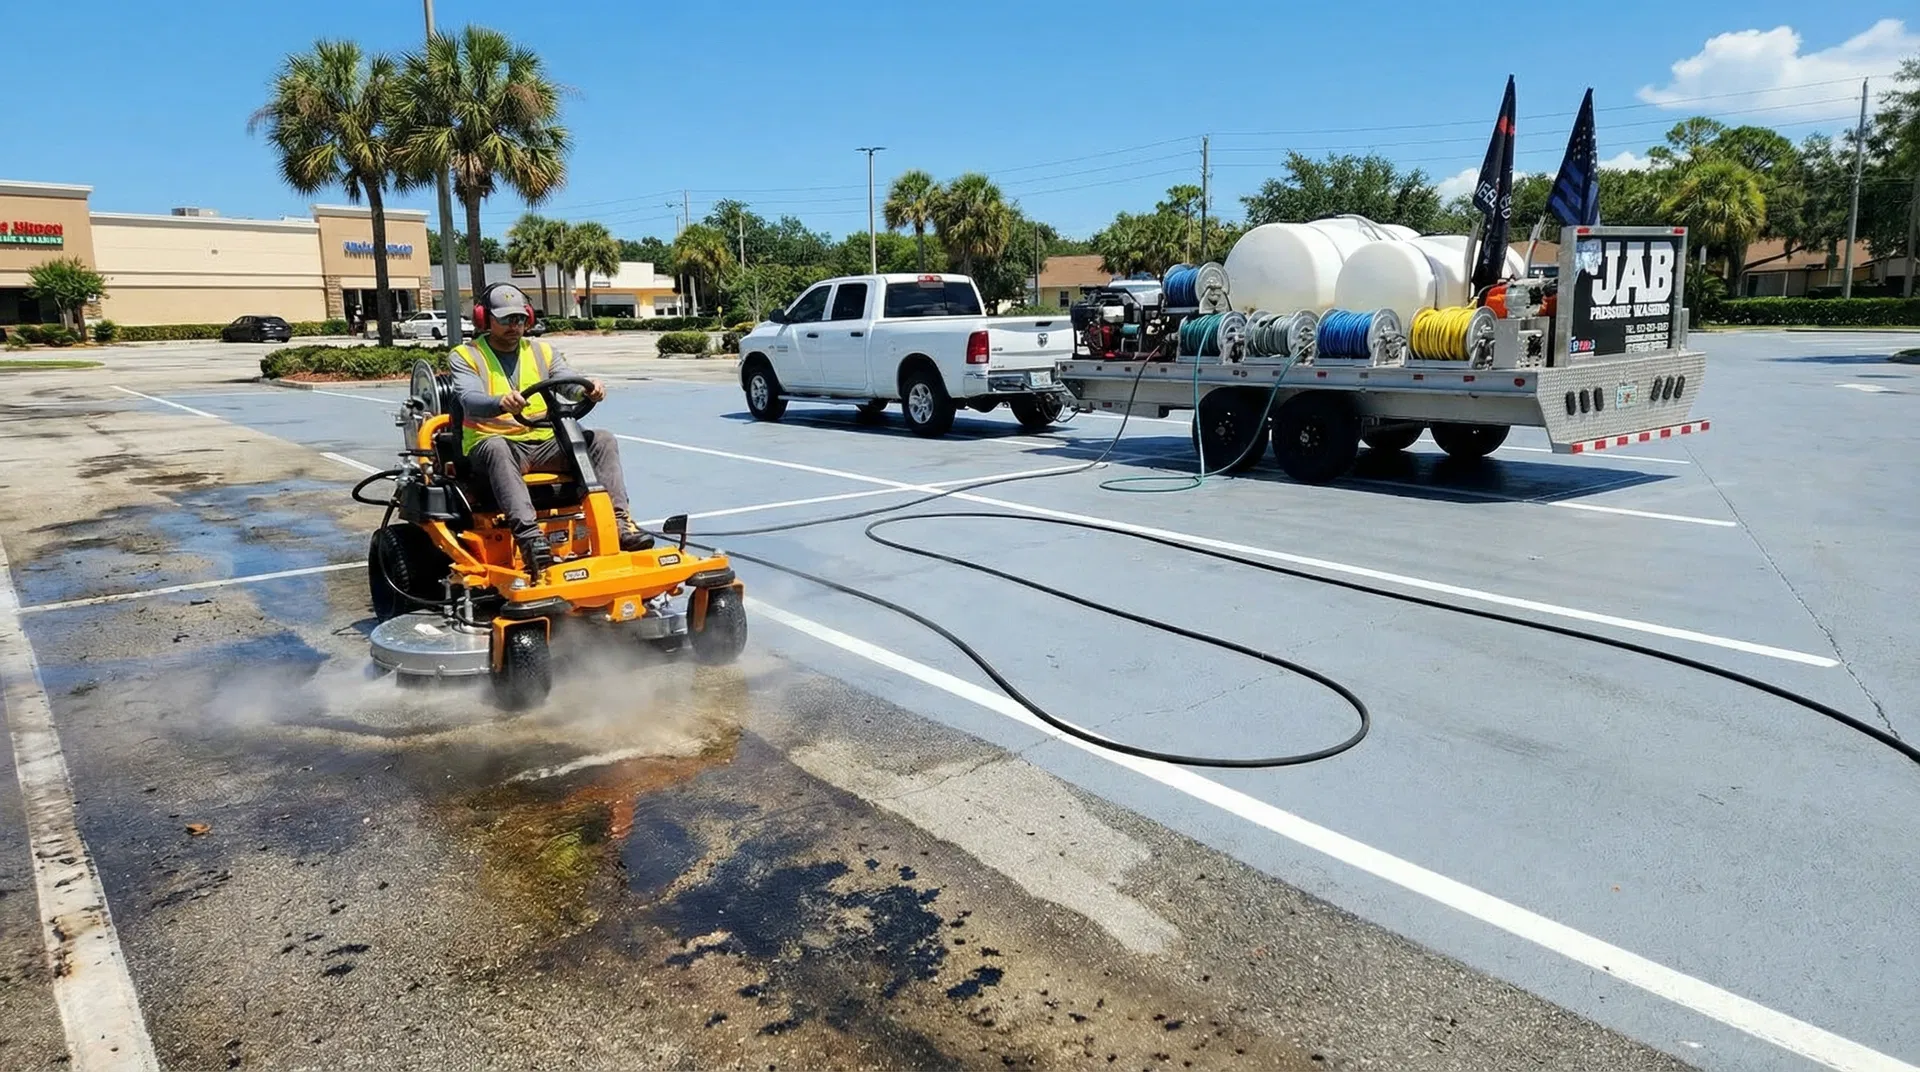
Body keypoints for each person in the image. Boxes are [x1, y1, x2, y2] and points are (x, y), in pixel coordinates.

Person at [449, 282, 652, 573]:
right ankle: (531, 540)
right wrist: (500, 402)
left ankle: (619, 526)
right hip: (493, 445)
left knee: (602, 440)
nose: (514, 325)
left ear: (528, 318)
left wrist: (587, 390)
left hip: (545, 442)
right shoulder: (466, 356)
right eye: (505, 319)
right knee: (496, 446)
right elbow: (469, 399)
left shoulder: (543, 351)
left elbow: (567, 381)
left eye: (519, 318)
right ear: (484, 318)